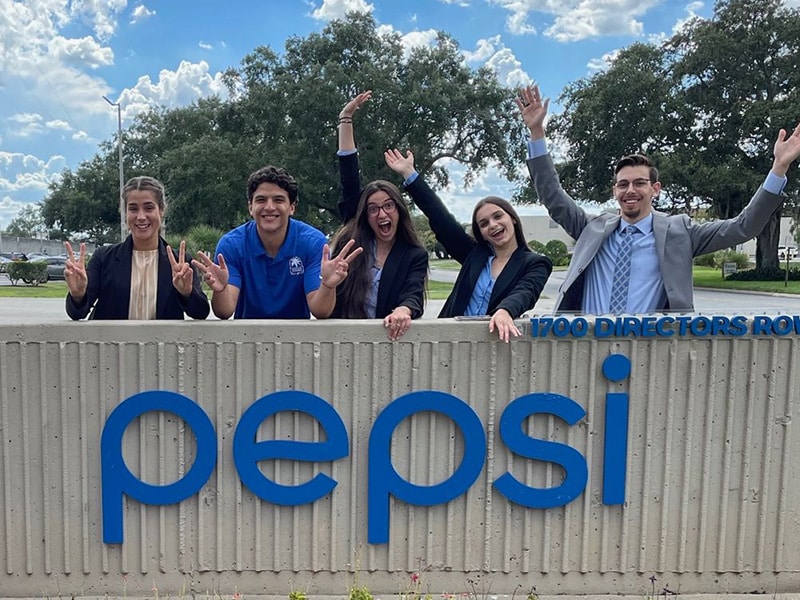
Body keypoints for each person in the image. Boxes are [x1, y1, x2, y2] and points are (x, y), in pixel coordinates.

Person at [518, 84, 800, 315]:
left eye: (639, 183)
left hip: (650, 349)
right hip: (588, 344)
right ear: (615, 191)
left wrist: (779, 168)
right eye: (623, 184)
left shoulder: (681, 232)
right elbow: (552, 196)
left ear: (655, 189)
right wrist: (537, 133)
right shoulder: (591, 228)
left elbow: (743, 227)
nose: (630, 190)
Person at [384, 149, 553, 342]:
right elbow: (441, 218)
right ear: (481, 233)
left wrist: (505, 311)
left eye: (498, 216)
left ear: (512, 218)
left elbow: (525, 292)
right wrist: (409, 173)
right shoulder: (475, 254)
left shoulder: (536, 264)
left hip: (492, 345)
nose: (493, 225)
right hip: (449, 342)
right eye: (484, 223)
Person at [192, 165, 361, 319]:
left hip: (297, 338)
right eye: (261, 200)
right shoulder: (231, 245)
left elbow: (320, 311)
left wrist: (327, 286)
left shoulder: (313, 243)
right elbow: (225, 311)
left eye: (278, 200)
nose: (269, 207)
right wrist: (221, 289)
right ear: (250, 207)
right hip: (247, 336)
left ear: (292, 207)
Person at [331, 91, 429, 340]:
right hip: (344, 340)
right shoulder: (352, 243)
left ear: (399, 210)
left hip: (387, 342)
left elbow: (413, 294)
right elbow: (348, 177)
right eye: (373, 209)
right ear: (365, 215)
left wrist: (404, 310)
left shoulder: (414, 255)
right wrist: (345, 119)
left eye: (388, 206)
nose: (381, 213)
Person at [64, 176, 210, 320]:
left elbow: (201, 312)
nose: (141, 216)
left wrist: (186, 293)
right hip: (113, 337)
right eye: (133, 209)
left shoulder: (180, 262)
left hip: (162, 337)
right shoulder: (104, 258)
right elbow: (77, 313)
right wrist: (77, 295)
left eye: (149, 208)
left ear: (161, 210)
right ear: (125, 213)